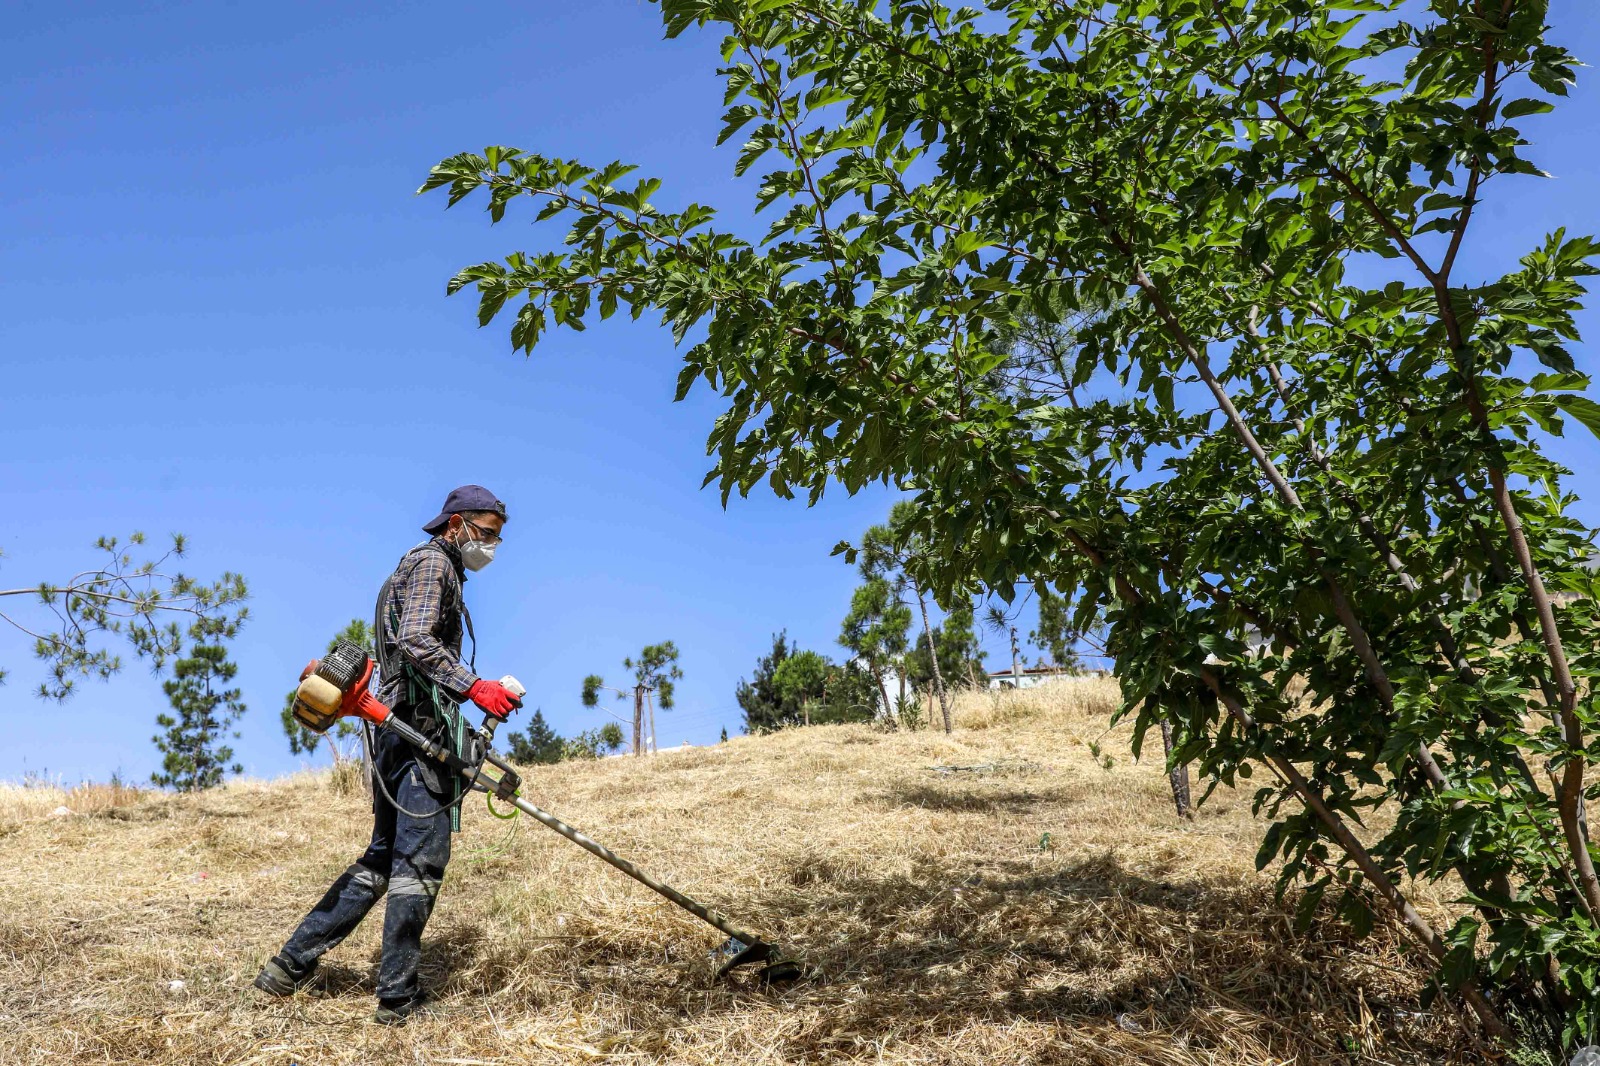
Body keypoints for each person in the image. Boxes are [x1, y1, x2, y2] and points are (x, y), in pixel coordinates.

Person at [254, 484, 522, 1025]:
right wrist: (475, 687)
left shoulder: (423, 566)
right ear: (457, 526)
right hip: (414, 734)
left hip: (398, 731)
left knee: (381, 858)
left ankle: (288, 967)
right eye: (487, 535)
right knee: (418, 863)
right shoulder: (433, 565)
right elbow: (417, 641)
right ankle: (397, 998)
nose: (491, 547)